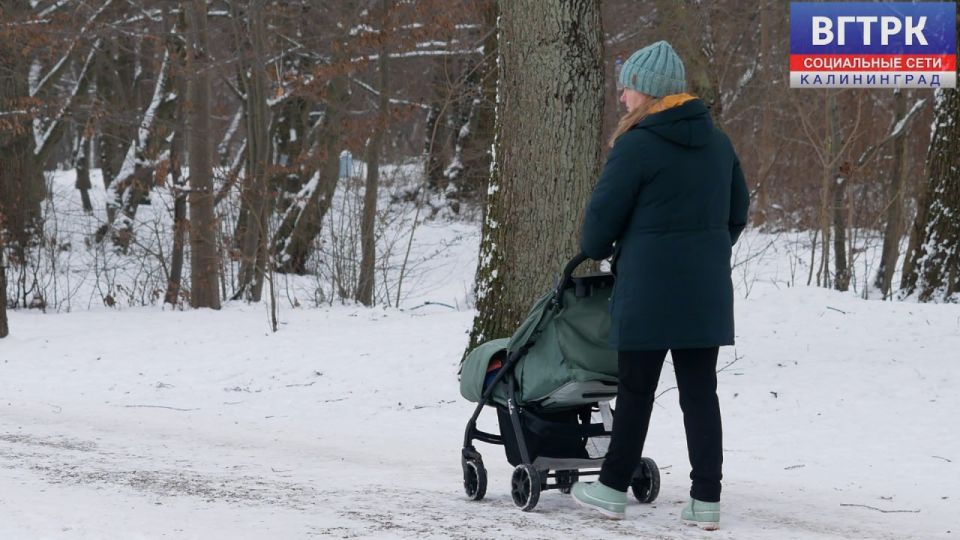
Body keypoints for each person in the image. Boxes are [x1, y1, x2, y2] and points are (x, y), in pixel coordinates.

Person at [570, 40, 749, 531]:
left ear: (647, 93)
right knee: (699, 392)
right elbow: (738, 215)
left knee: (635, 391)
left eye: (627, 87)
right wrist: (706, 252)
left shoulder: (637, 144)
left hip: (647, 287)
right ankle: (706, 500)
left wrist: (608, 249)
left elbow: (597, 229)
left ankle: (610, 487)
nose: (622, 96)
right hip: (704, 288)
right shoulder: (718, 142)